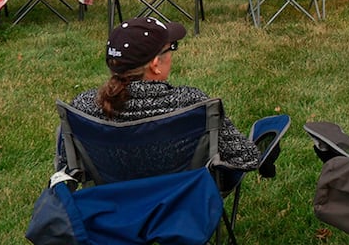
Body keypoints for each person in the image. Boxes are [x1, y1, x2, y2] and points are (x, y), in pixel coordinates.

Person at [59, 16, 260, 171]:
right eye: (171, 48)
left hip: (110, 213)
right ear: (155, 64)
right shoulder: (192, 105)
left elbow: (66, 165)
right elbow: (246, 157)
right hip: (179, 210)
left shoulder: (83, 108)